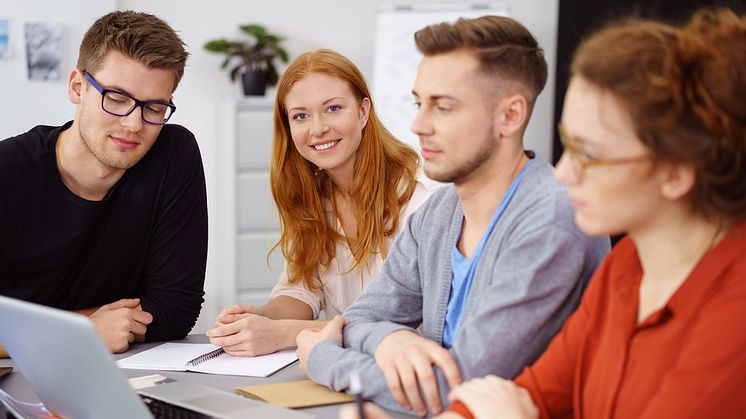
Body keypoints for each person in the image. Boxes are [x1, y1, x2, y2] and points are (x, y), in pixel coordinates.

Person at [436, 8, 746, 419]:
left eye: (590, 155)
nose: (562, 174)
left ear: (676, 173)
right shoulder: (627, 265)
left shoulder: (735, 309)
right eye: (568, 145)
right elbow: (535, 393)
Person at [296, 15, 610, 418]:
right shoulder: (439, 213)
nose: (418, 125)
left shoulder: (551, 219)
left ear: (510, 117)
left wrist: (323, 359)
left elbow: (455, 389)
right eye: (418, 102)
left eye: (442, 107)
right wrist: (390, 340)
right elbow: (358, 318)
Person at [0, 11, 207, 356]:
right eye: (116, 99)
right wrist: (84, 331)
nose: (133, 124)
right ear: (77, 87)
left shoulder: (173, 155)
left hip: (120, 369)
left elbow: (176, 308)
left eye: (154, 107)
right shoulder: (8, 172)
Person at [206, 49, 436, 357]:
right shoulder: (311, 196)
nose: (317, 128)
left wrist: (284, 333)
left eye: (333, 109)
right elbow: (303, 289)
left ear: (363, 111)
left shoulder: (422, 195)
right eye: (301, 116)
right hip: (341, 367)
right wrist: (265, 317)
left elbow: (407, 327)